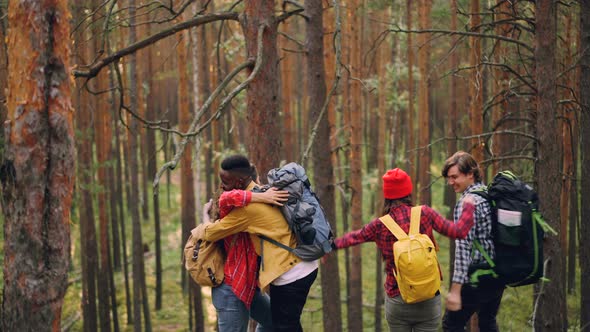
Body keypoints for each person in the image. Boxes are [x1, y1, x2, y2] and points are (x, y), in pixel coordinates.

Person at [333, 168, 476, 332]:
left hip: (397, 299)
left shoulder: (379, 225)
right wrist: (469, 206)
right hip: (428, 298)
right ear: (408, 191)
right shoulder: (425, 213)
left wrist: (329, 247)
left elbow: (352, 238)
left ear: (386, 195)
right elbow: (458, 231)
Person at [196, 155, 318, 332]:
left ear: (239, 181)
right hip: (300, 267)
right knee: (277, 323)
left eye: (225, 181)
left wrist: (204, 217)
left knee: (284, 325)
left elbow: (209, 232)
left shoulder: (245, 209)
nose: (221, 186)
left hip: (285, 275)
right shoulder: (265, 192)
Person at [205, 184, 288, 332]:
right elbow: (228, 198)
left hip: (247, 287)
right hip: (230, 290)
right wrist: (263, 196)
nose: (257, 186)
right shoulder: (235, 215)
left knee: (276, 321)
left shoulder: (248, 211)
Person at [441, 151, 505, 332]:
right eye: (448, 178)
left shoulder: (467, 203)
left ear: (470, 174)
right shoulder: (487, 194)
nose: (450, 182)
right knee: (487, 321)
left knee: (451, 324)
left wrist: (455, 289)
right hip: (498, 273)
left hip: (478, 275)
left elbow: (462, 249)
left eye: (455, 177)